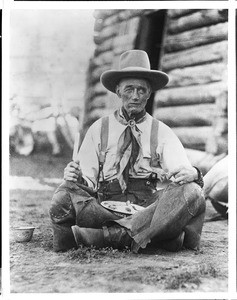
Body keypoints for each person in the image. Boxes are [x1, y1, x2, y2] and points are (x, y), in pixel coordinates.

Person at [49, 50, 206, 253]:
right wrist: (75, 177)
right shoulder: (99, 129)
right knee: (63, 196)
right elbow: (86, 181)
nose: (135, 96)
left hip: (149, 209)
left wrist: (193, 173)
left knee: (193, 192)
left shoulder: (162, 132)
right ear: (118, 91)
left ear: (149, 94)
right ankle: (155, 238)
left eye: (141, 90)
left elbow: (182, 172)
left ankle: (108, 237)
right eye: (129, 89)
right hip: (104, 210)